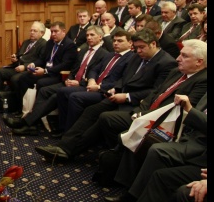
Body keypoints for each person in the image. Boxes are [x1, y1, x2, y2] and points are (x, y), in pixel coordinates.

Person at [34, 29, 178, 162]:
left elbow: (155, 91)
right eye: (137, 47)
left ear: (153, 44)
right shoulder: (137, 56)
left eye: (142, 47)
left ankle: (67, 151)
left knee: (102, 118)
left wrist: (127, 96)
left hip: (137, 103)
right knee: (91, 111)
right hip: (119, 95)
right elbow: (125, 78)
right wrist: (116, 88)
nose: (138, 51)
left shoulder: (166, 63)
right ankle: (63, 147)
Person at [104, 88, 207, 202]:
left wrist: (190, 109)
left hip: (200, 145)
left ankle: (132, 196)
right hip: (186, 132)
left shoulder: (202, 81)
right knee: (140, 134)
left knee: (158, 151)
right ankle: (126, 185)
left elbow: (194, 114)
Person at [5, 26, 110, 136]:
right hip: (71, 82)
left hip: (85, 86)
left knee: (57, 95)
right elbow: (74, 68)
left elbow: (97, 75)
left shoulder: (104, 54)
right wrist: (69, 78)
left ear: (100, 36)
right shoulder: (84, 50)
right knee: (44, 91)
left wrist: (79, 83)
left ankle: (27, 122)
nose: (88, 37)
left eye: (92, 35)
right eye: (87, 35)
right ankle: (32, 124)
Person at [56, 30, 134, 134]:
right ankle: (62, 128)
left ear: (130, 43)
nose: (115, 43)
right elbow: (94, 70)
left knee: (75, 97)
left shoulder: (132, 58)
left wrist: (99, 87)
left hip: (105, 91)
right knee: (62, 91)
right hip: (92, 86)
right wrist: (91, 80)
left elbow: (123, 81)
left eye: (120, 41)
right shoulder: (110, 55)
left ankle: (71, 133)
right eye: (114, 41)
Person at [5, 21, 77, 116]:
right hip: (46, 71)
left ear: (63, 31)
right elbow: (42, 59)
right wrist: (33, 64)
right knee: (24, 78)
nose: (53, 34)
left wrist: (46, 71)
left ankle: (36, 113)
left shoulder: (70, 45)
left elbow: (64, 65)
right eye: (52, 31)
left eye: (56, 31)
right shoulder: (50, 43)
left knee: (41, 83)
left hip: (57, 75)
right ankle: (23, 109)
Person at [0, 21, 47, 93]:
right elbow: (19, 54)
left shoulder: (44, 44)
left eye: (35, 31)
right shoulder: (26, 42)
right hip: (17, 66)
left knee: (15, 79)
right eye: (31, 30)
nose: (32, 32)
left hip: (28, 70)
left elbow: (40, 61)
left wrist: (25, 67)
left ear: (42, 33)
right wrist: (15, 57)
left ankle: (14, 99)